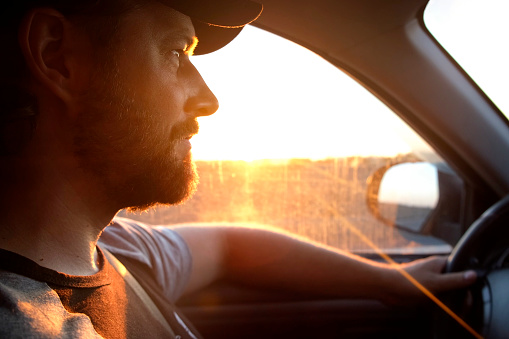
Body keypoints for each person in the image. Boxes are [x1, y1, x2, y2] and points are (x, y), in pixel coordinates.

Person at [0, 0, 477, 337]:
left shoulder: (114, 246)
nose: (208, 99)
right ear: (57, 55)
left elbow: (232, 246)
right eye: (173, 52)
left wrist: (394, 283)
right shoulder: (27, 322)